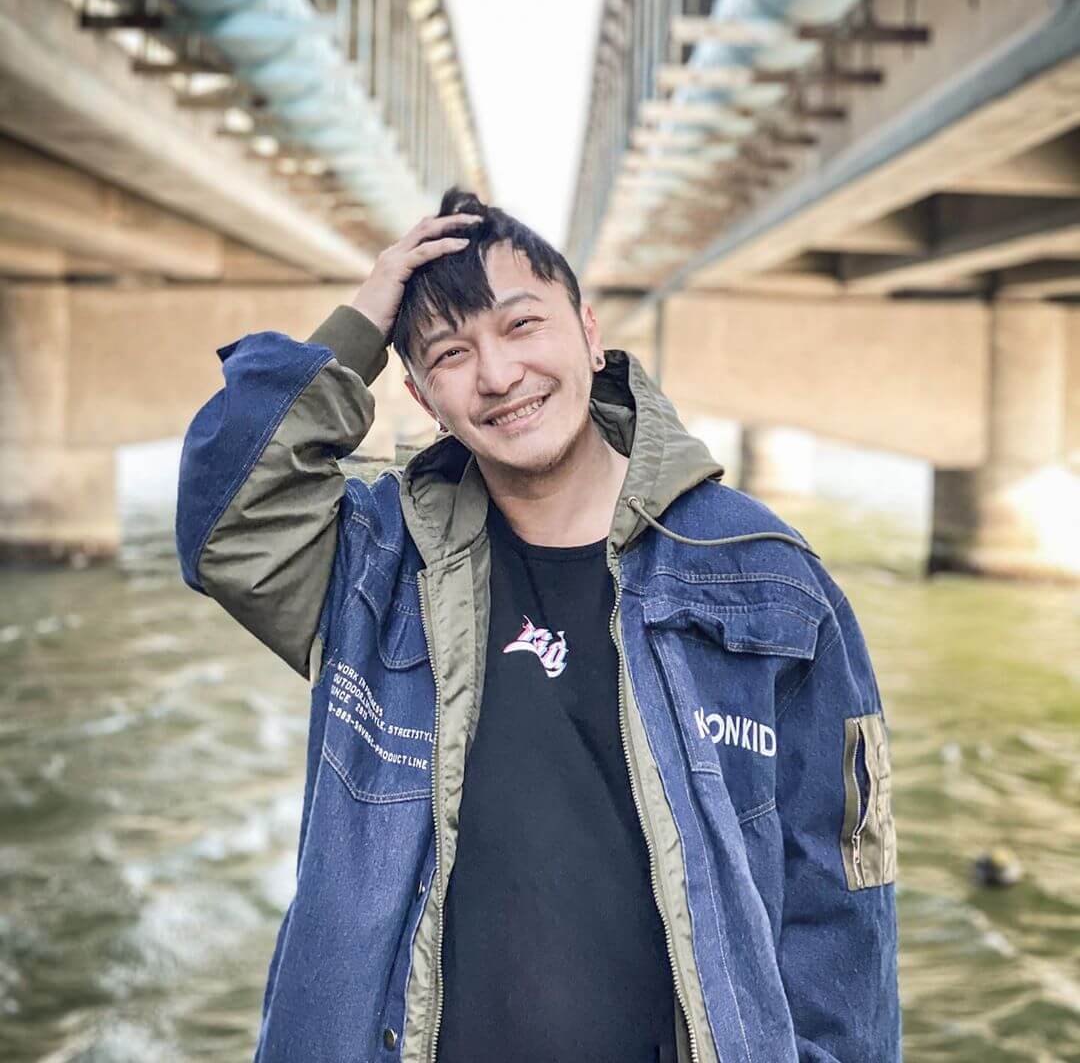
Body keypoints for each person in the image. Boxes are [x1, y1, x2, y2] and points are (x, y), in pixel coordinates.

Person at [176, 188, 901, 1063]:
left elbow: (845, 890)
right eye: (451, 353)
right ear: (421, 395)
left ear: (590, 334)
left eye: (522, 325)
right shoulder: (375, 561)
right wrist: (363, 319)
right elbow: (227, 524)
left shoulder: (767, 576)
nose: (498, 374)